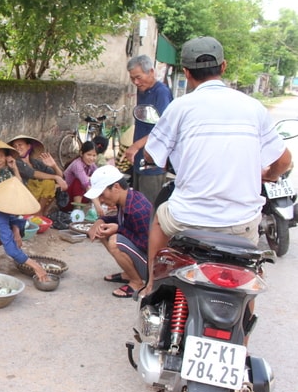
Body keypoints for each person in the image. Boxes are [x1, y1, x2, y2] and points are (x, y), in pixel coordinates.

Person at [142, 36, 292, 295]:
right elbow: (284, 160)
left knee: (158, 220)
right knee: (245, 286)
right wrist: (267, 174)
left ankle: (151, 285)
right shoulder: (252, 107)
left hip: (187, 219)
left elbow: (151, 156)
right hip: (240, 223)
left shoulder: (180, 107)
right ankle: (241, 328)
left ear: (187, 73)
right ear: (223, 67)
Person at [84, 166, 152, 298]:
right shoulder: (127, 200)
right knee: (102, 231)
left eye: (102, 195)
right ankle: (129, 273)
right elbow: (121, 220)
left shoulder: (138, 209)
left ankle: (137, 282)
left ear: (116, 187)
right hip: (144, 257)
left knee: (115, 240)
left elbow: (148, 246)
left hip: (151, 267)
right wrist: (100, 221)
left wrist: (118, 229)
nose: (101, 200)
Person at [124, 54, 173, 204]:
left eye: (138, 77)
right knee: (137, 203)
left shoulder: (161, 93)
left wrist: (136, 145)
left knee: (149, 206)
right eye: (132, 79)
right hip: (139, 159)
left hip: (154, 162)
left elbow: (162, 129)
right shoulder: (142, 90)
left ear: (151, 72)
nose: (136, 82)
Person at [7, 135, 68, 216]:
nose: (17, 148)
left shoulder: (35, 162)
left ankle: (42, 212)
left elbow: (60, 177)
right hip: (24, 195)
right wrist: (56, 177)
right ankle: (39, 213)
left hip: (36, 197)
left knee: (52, 184)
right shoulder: (16, 162)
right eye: (15, 146)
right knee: (48, 183)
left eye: (20, 145)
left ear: (28, 146)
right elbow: (32, 173)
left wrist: (54, 165)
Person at [63, 141, 103, 215]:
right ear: (81, 153)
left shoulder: (91, 165)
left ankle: (92, 208)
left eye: (94, 155)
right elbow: (86, 185)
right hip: (67, 199)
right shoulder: (77, 165)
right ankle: (77, 211)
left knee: (97, 181)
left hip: (83, 197)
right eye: (89, 155)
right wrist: (97, 205)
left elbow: (99, 176)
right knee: (79, 182)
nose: (91, 158)